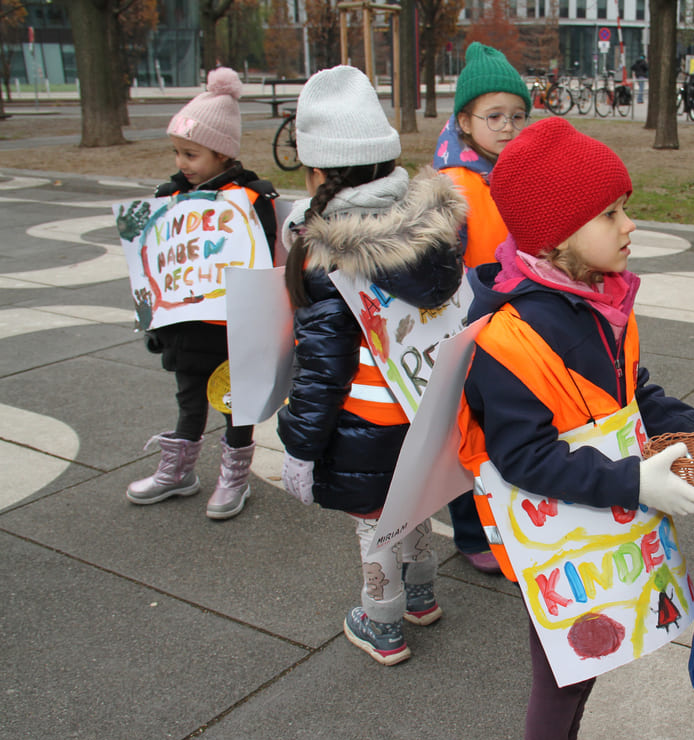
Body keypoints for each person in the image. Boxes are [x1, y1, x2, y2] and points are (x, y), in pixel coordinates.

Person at [456, 117, 694, 740]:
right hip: (554, 538)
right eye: (610, 213)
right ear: (555, 235)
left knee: (585, 664)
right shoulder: (510, 334)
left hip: (594, 525)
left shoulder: (599, 301)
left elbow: (634, 395)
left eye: (625, 207)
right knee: (561, 667)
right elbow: (523, 457)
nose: (630, 225)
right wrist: (631, 480)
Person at [276, 66, 468, 666]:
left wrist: (299, 443)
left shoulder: (329, 253)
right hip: (426, 409)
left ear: (318, 171)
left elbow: (322, 367)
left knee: (374, 522)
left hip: (365, 417)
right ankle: (420, 594)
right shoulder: (430, 229)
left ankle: (380, 619)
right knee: (412, 504)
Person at [127, 66, 278, 521]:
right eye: (176, 152)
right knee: (189, 396)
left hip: (234, 330)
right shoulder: (168, 197)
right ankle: (180, 472)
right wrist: (154, 319)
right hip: (186, 326)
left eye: (190, 153)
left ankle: (234, 476)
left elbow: (267, 262)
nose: (181, 163)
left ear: (222, 153)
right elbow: (152, 260)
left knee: (237, 404)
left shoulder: (251, 199)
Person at [432, 41, 531, 574]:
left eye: (517, 115)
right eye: (494, 116)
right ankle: (471, 532)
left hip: (516, 320)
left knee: (508, 427)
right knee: (466, 430)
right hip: (469, 320)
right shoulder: (454, 185)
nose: (508, 126)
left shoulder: (519, 170)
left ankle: (509, 521)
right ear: (465, 122)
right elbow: (438, 260)